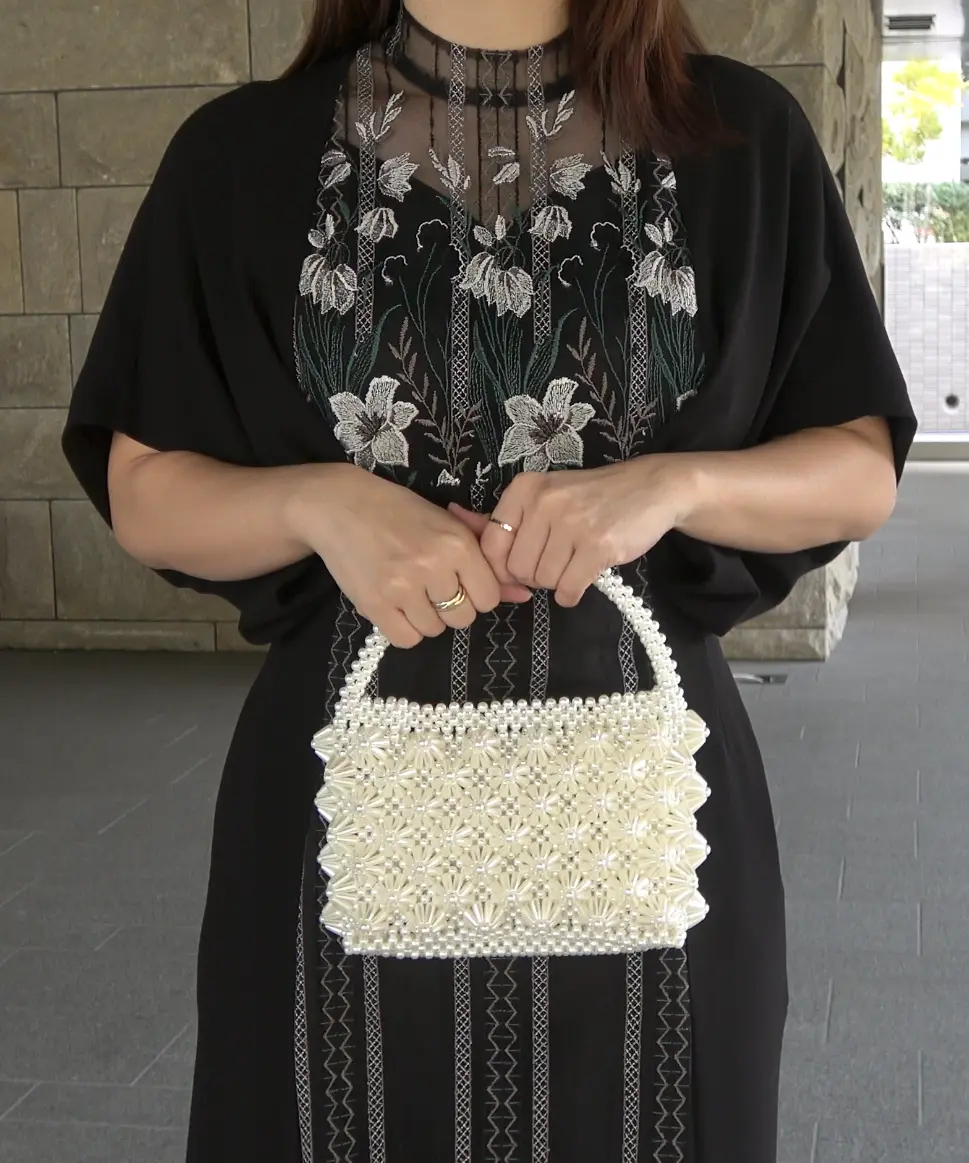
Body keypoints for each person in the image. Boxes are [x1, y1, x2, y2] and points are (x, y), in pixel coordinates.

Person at [61, 0, 916, 1159]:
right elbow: (144, 484)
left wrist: (672, 485)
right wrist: (319, 502)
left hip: (648, 831)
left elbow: (857, 466)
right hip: (340, 833)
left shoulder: (737, 139)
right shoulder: (242, 156)